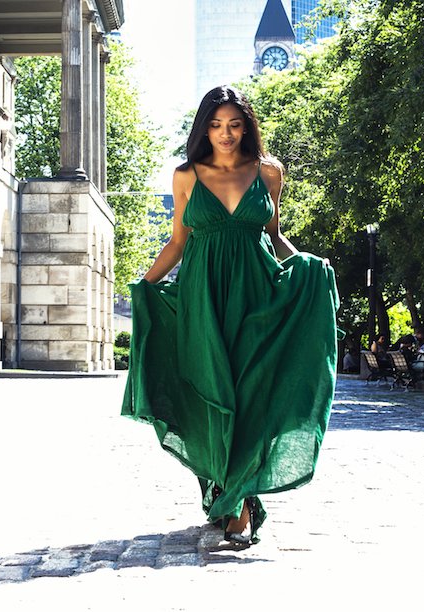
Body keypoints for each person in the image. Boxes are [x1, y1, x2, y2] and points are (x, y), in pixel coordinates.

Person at [121, 86, 339, 546]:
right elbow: (178, 243)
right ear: (204, 128)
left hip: (257, 296)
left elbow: (274, 235)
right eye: (217, 125)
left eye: (235, 125)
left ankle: (238, 504)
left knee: (251, 393)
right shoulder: (186, 176)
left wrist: (308, 268)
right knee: (213, 393)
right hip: (204, 299)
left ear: (247, 127)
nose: (226, 134)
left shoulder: (269, 172)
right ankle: (230, 493)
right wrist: (145, 284)